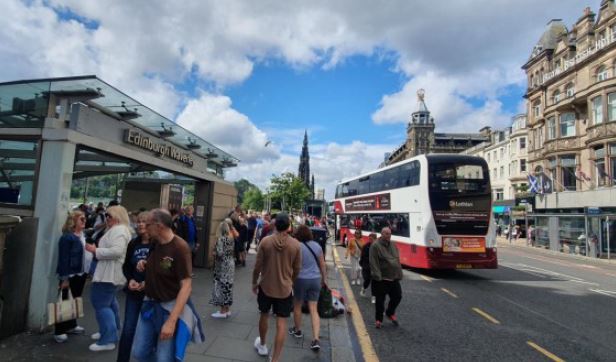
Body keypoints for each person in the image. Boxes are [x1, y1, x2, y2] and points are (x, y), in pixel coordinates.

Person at [131, 209, 204, 361]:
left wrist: (171, 322)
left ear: (159, 226)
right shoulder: (154, 243)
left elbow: (186, 286)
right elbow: (162, 266)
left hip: (168, 308)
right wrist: (144, 264)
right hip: (149, 305)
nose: (143, 226)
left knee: (164, 358)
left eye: (147, 223)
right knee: (139, 352)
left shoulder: (180, 248)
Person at [252, 213, 301, 362]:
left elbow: (257, 266)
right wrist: (291, 281)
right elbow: (297, 269)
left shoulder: (266, 242)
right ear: (288, 226)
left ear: (275, 225)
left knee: (264, 315)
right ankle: (276, 359)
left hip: (266, 286)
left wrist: (254, 282)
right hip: (285, 289)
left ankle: (262, 345)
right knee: (282, 323)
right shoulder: (295, 245)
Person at [85, 205, 132, 351]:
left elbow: (117, 251)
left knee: (101, 304)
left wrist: (95, 250)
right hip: (110, 273)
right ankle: (110, 331)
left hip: (109, 274)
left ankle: (108, 338)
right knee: (109, 303)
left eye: (109, 216)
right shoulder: (120, 230)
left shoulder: (119, 230)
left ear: (117, 217)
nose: (106, 218)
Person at [117, 212, 152, 362]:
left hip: (151, 295)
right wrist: (130, 279)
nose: (140, 224)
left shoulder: (157, 245)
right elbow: (126, 266)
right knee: (128, 329)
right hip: (133, 293)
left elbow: (163, 269)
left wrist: (147, 283)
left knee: (150, 332)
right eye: (138, 221)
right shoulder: (133, 243)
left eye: (144, 222)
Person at [54, 210, 91, 343]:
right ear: (73, 221)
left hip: (80, 273)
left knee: (74, 300)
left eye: (85, 218)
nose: (84, 221)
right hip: (70, 274)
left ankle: (71, 325)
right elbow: (63, 259)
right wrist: (64, 278)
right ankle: (59, 331)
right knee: (64, 302)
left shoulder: (82, 235)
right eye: (81, 219)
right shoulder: (67, 237)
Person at [289, 225, 326, 352]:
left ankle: (297, 330)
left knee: (297, 305)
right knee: (313, 309)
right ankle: (315, 339)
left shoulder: (296, 246)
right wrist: (324, 279)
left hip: (300, 279)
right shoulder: (317, 246)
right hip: (315, 279)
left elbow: (292, 265)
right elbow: (322, 264)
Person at [369, 227, 403, 329]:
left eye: (390, 234)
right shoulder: (375, 246)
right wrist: (377, 276)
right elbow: (373, 262)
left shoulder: (393, 244)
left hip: (393, 277)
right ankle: (378, 320)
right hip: (381, 279)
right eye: (387, 234)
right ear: (382, 234)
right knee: (380, 301)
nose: (389, 236)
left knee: (397, 296)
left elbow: (397, 259)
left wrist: (399, 273)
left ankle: (389, 312)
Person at [210, 219, 236, 319]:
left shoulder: (221, 239)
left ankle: (222, 311)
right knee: (228, 286)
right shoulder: (231, 238)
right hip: (230, 264)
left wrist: (214, 252)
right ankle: (227, 309)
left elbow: (220, 253)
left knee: (222, 287)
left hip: (222, 266)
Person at [359, 233, 377, 304]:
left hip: (375, 268)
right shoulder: (365, 246)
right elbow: (362, 256)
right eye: (369, 238)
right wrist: (362, 264)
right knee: (367, 279)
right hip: (366, 266)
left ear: (375, 239)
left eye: (372, 239)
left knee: (374, 283)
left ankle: (373, 297)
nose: (370, 240)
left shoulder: (377, 247)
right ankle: (363, 288)